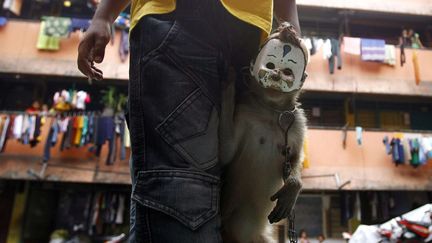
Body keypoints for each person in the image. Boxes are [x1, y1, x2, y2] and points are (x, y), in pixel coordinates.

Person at [77, 0, 301, 242]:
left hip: (250, 38)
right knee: (180, 206)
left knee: (201, 211)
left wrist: (293, 34)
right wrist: (104, 15)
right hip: (178, 16)